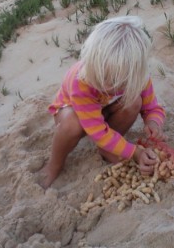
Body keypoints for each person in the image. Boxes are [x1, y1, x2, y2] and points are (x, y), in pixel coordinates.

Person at [39, 16, 166, 189]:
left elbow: (151, 107)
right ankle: (54, 164)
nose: (104, 85)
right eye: (99, 77)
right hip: (72, 113)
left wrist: (153, 122)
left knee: (134, 101)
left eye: (113, 82)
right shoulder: (82, 80)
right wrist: (134, 152)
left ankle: (108, 147)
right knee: (71, 124)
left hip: (105, 111)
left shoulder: (138, 77)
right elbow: (96, 131)